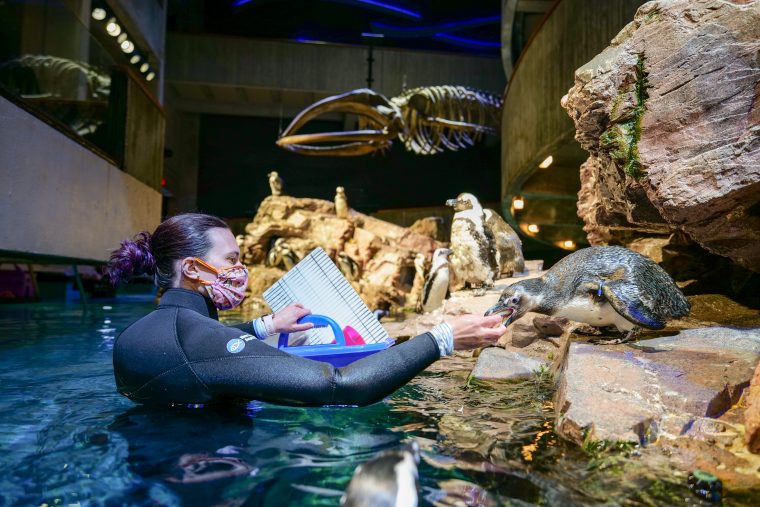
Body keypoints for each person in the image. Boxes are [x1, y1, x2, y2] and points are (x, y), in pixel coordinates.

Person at [108, 213, 506, 407]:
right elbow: (341, 385)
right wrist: (444, 338)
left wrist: (267, 325)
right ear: (193, 269)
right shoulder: (199, 341)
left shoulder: (139, 336)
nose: (239, 270)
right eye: (231, 259)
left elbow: (204, 352)